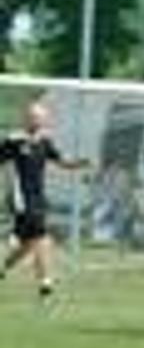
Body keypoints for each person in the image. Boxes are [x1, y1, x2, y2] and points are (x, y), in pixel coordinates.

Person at [1, 102, 92, 302]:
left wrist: (80, 164)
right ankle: (46, 285)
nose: (37, 120)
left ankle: (4, 266)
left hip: (39, 198)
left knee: (28, 244)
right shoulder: (13, 140)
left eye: (40, 117)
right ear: (25, 118)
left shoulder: (44, 141)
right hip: (21, 199)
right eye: (33, 117)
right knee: (42, 237)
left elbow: (61, 161)